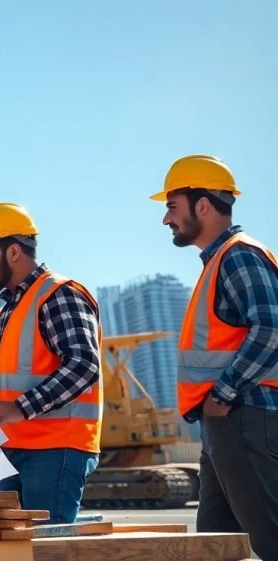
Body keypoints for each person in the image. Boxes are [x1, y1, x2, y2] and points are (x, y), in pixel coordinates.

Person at [152, 154, 278, 560]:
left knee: (268, 540)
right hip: (225, 425)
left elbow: (272, 328)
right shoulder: (217, 263)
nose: (166, 219)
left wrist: (223, 395)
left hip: (244, 415)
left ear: (202, 205)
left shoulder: (238, 254)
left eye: (172, 207)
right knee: (216, 545)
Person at [0, 202, 102, 524]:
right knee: (16, 551)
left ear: (13, 251)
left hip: (55, 449)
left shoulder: (58, 294)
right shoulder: (8, 310)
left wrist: (22, 407)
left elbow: (84, 364)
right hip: (11, 449)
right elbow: (5, 387)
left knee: (45, 550)